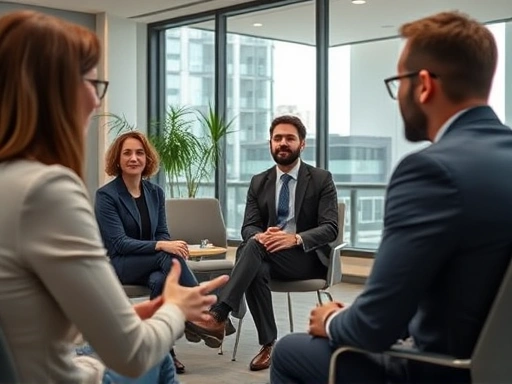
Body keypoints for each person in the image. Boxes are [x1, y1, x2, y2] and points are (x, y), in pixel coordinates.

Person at [270, 11, 512, 384]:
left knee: (290, 350)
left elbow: (373, 327)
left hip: (446, 370)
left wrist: (331, 319)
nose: (398, 94)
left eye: (398, 81)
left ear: (425, 84)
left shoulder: (431, 171)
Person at [0, 10, 228, 384]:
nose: (96, 100)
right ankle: (208, 319)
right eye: (92, 82)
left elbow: (31, 314)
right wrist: (174, 309)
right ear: (52, 90)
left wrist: (141, 314)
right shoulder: (48, 190)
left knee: (161, 277)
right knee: (158, 359)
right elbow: (132, 354)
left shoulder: (11, 182)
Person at [186, 115, 339, 371]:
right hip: (267, 255)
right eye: (277, 138)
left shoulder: (321, 179)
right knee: (255, 257)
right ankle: (269, 344)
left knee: (252, 250)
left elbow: (330, 228)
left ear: (302, 144)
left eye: (289, 138)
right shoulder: (259, 181)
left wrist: (294, 238)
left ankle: (220, 314)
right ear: (270, 143)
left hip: (305, 258)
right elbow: (249, 226)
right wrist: (260, 235)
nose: (283, 143)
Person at [95, 131, 197, 374]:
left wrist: (162, 243)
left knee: (162, 279)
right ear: (117, 160)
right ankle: (200, 314)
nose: (134, 158)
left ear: (147, 158)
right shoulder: (106, 196)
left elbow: (162, 232)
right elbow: (119, 243)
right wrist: (161, 246)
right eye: (127, 153)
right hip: (120, 265)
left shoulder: (155, 193)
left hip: (151, 266)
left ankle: (162, 351)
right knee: (167, 255)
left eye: (139, 152)